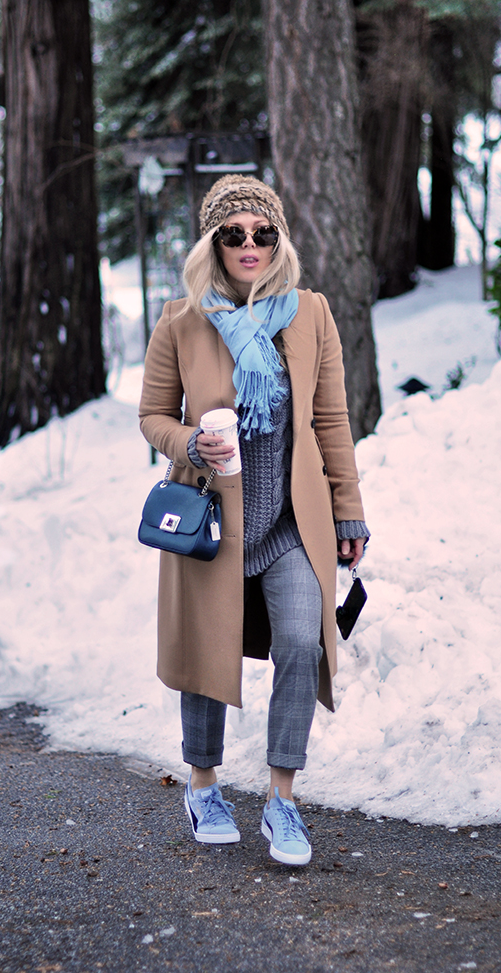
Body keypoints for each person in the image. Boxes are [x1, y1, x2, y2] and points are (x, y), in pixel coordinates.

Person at [139, 174, 369, 866]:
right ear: (213, 242)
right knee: (206, 655)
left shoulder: (312, 314)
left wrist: (349, 509)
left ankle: (282, 800)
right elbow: (152, 415)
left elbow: (330, 420)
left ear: (279, 240)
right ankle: (204, 785)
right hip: (212, 518)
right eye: (232, 233)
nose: (248, 244)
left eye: (262, 233)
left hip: (294, 523)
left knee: (303, 643)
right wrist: (188, 443)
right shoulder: (181, 319)